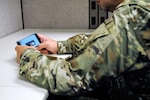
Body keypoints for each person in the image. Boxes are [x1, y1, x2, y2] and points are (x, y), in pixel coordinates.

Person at [15, 0, 150, 99]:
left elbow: (70, 79)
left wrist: (27, 56)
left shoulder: (132, 15)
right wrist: (61, 46)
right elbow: (104, 40)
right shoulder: (141, 7)